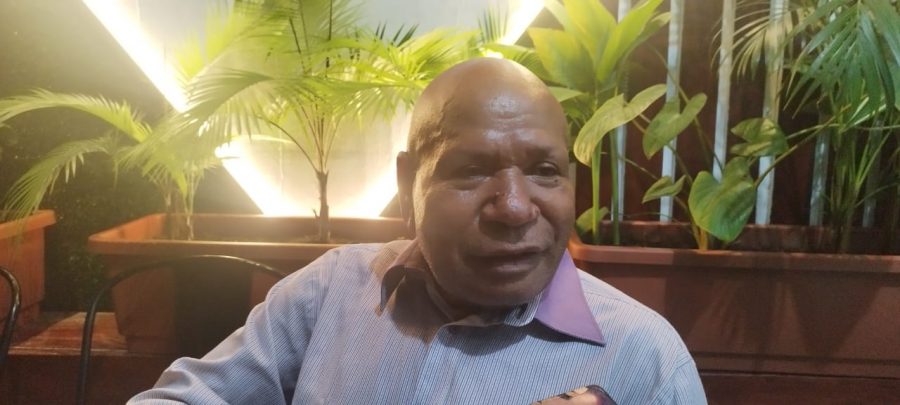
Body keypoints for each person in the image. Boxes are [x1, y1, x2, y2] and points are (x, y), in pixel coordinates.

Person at [130, 58, 706, 404]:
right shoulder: (329, 294)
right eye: (472, 170)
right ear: (409, 185)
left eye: (544, 171)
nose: (513, 207)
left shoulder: (644, 362)